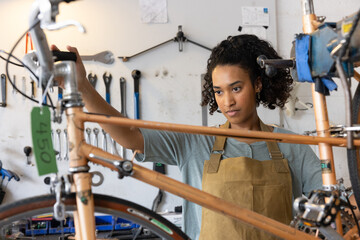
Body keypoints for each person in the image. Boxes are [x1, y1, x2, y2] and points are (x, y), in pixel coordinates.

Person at [53, 34, 322, 240]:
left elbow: (330, 205)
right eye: (219, 91)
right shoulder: (195, 141)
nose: (227, 101)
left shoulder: (293, 147)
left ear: (258, 84)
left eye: (236, 88)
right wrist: (82, 86)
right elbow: (129, 135)